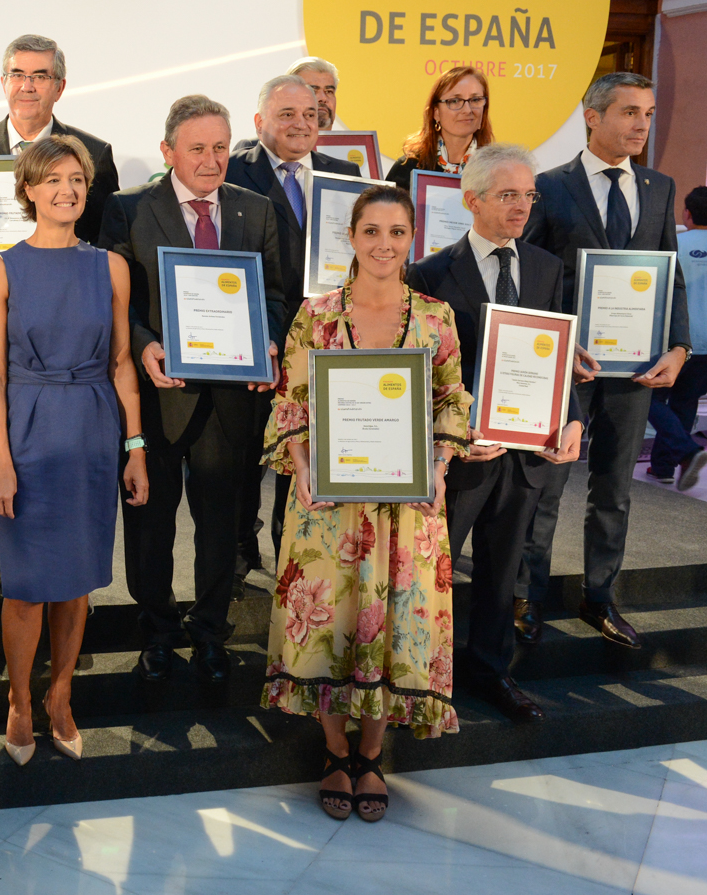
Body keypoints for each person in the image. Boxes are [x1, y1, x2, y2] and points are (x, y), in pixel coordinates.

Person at [262, 185, 469, 823]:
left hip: (406, 508)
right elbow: (291, 399)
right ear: (351, 238)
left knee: (396, 619)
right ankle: (332, 751)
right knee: (328, 622)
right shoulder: (316, 314)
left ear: (413, 240)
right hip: (329, 506)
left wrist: (436, 466)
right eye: (372, 232)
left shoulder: (436, 316)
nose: (384, 245)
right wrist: (299, 467)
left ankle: (372, 756)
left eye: (397, 233)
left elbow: (451, 401)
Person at [99, 95, 283, 684]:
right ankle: (156, 632)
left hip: (232, 399)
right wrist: (145, 342)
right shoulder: (126, 209)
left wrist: (270, 340)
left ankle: (209, 632)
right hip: (157, 395)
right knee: (150, 524)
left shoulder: (256, 210)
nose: (211, 160)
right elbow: (112, 301)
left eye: (221, 147)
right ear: (168, 151)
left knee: (221, 527)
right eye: (198, 148)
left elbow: (276, 295)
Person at [0, 34, 120, 615]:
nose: (27, 85)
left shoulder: (96, 150)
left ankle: (63, 591)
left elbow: (105, 246)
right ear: (4, 81)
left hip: (68, 326)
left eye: (40, 75)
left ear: (58, 86)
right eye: (18, 73)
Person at [0, 135, 147, 764]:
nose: (67, 190)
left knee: (76, 582)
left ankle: (61, 697)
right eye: (52, 180)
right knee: (24, 585)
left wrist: (135, 447)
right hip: (25, 432)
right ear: (27, 190)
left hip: (92, 433)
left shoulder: (111, 266)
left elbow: (123, 363)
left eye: (76, 179)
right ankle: (20, 700)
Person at [406, 144, 584, 724]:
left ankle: (491, 672)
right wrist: (448, 434)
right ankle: (421, 675)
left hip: (525, 452)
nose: (522, 207)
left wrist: (573, 416)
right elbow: (419, 370)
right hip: (459, 456)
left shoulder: (544, 267)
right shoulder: (429, 273)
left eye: (528, 195)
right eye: (508, 195)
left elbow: (554, 354)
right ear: (472, 199)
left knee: (502, 573)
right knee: (433, 569)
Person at [520, 72, 690, 650]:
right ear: (593, 117)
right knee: (546, 486)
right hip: (567, 364)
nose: (642, 124)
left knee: (614, 488)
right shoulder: (549, 186)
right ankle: (526, 598)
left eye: (647, 112)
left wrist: (680, 346)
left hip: (636, 367)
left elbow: (672, 271)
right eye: (629, 112)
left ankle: (601, 597)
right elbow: (532, 275)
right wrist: (555, 344)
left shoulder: (660, 186)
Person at [224, 76, 359, 573]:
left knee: (306, 445)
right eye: (287, 115)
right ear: (259, 122)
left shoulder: (344, 175)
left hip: (325, 338)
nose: (302, 123)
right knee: (246, 449)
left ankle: (291, 546)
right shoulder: (233, 170)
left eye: (310, 113)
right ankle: (239, 544)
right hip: (257, 332)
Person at [646, 186, 707, 487]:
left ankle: (682, 454)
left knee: (648, 397)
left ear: (686, 212)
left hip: (672, 339)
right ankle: (666, 466)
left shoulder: (675, 242)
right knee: (686, 404)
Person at [385, 66, 495, 187]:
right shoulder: (408, 169)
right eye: (454, 101)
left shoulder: (495, 170)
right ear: (436, 112)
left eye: (475, 100)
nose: (467, 110)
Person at [287, 56, 340, 130]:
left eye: (329, 91)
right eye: (313, 91)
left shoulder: (356, 141)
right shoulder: (273, 141)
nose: (323, 98)